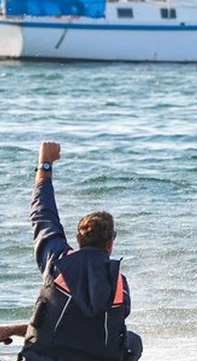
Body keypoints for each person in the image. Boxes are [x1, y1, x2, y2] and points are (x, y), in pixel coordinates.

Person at [19, 142, 142, 361]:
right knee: (135, 343)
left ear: (78, 239)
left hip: (43, 356)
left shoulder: (57, 262)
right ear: (110, 244)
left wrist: (45, 164)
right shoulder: (119, 283)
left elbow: (42, 214)